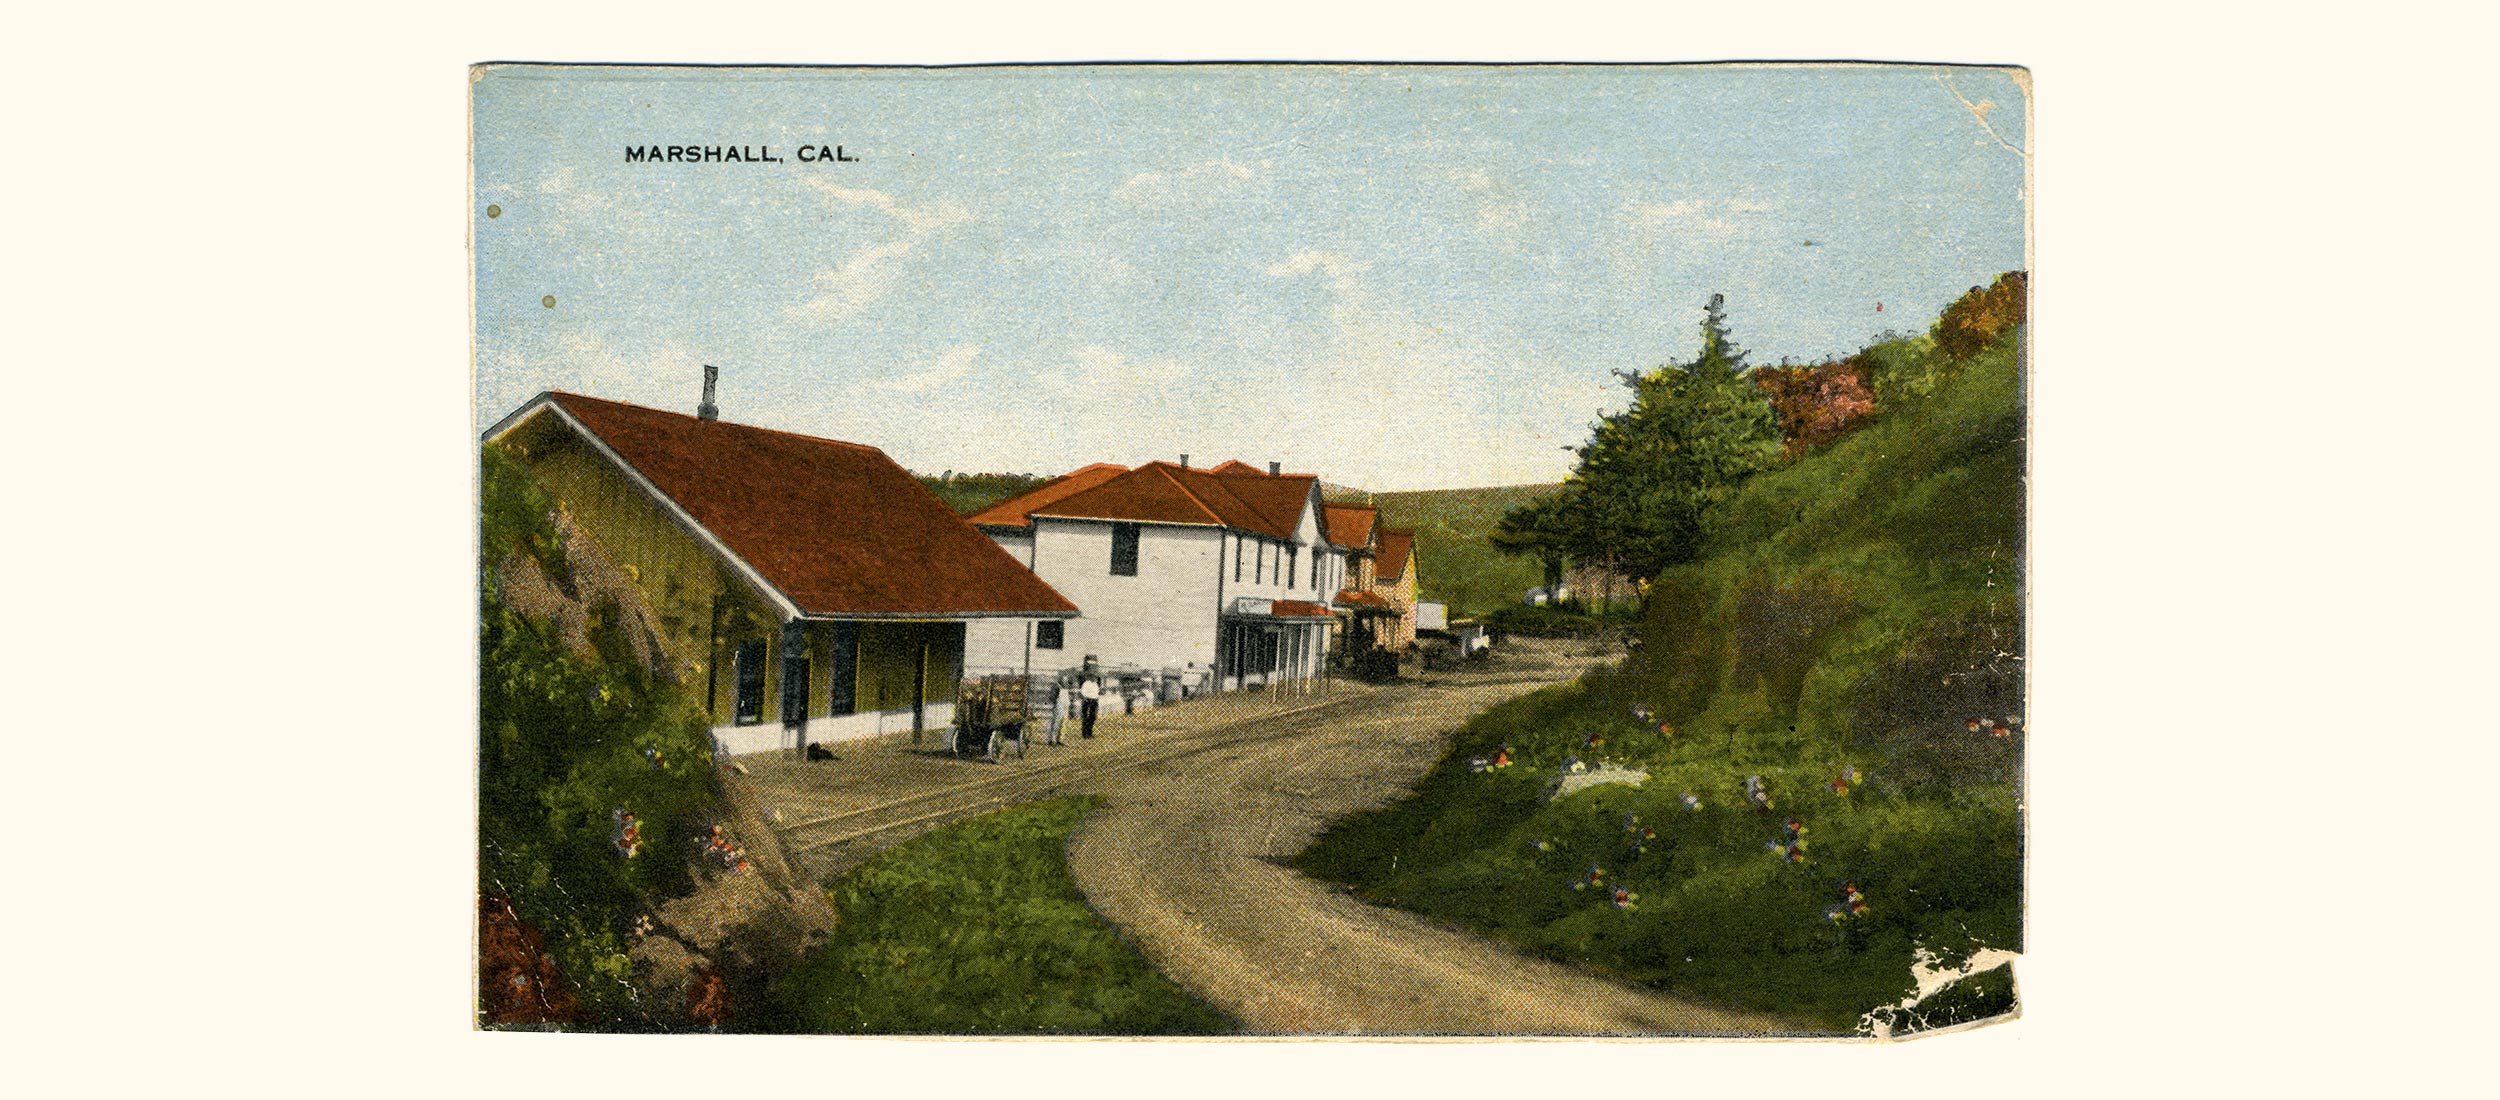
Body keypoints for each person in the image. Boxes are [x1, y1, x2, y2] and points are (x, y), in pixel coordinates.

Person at [1077, 657, 1103, 739]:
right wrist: (1085, 699)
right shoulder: (1086, 683)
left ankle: (1090, 732)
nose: (1094, 678)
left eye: (1095, 676)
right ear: (1090, 676)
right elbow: (1083, 693)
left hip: (1094, 701)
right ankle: (1085, 733)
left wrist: (1098, 697)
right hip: (1087, 700)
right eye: (1093, 676)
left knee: (1093, 717)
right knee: (1085, 717)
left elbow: (1097, 692)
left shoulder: (1095, 684)